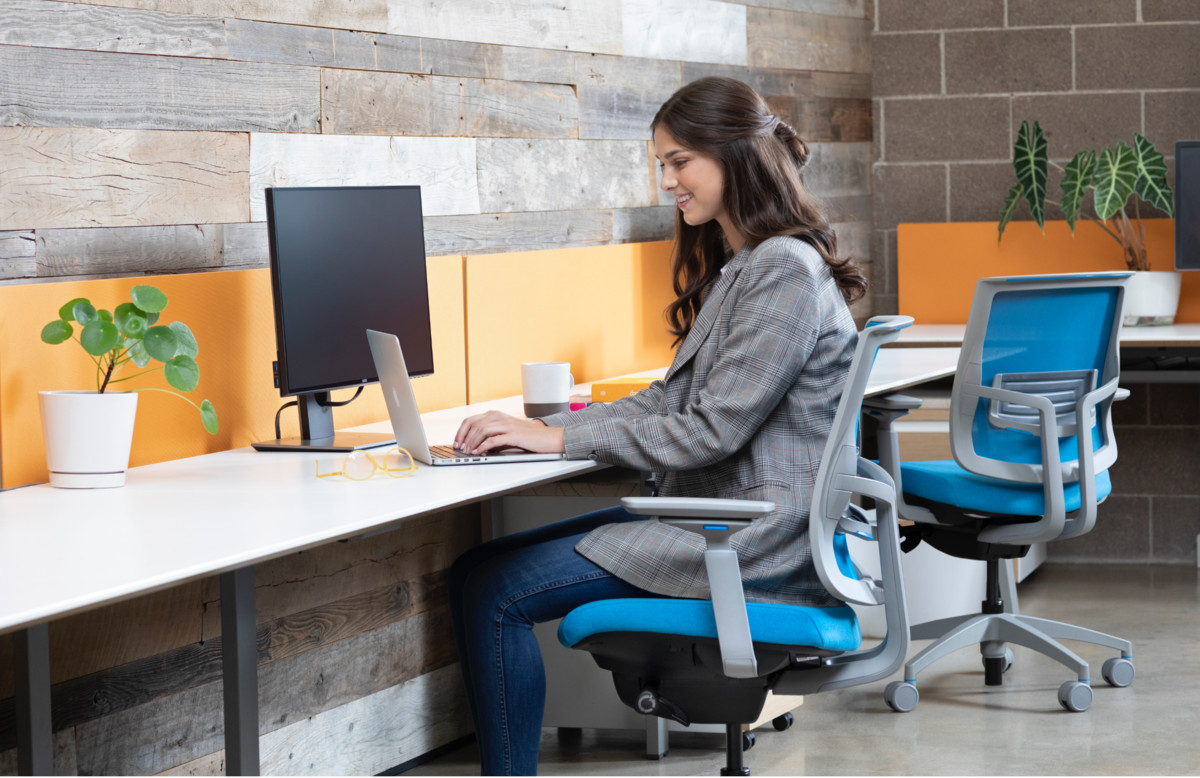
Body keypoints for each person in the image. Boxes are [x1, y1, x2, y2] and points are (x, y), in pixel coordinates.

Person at [447, 76, 867, 775]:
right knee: (471, 570)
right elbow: (671, 400)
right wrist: (553, 427)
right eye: (662, 164)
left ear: (734, 156)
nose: (667, 181)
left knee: (494, 592)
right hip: (723, 518)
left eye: (679, 162)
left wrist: (560, 438)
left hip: (751, 539)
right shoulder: (749, 263)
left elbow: (710, 430)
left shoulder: (782, 270)